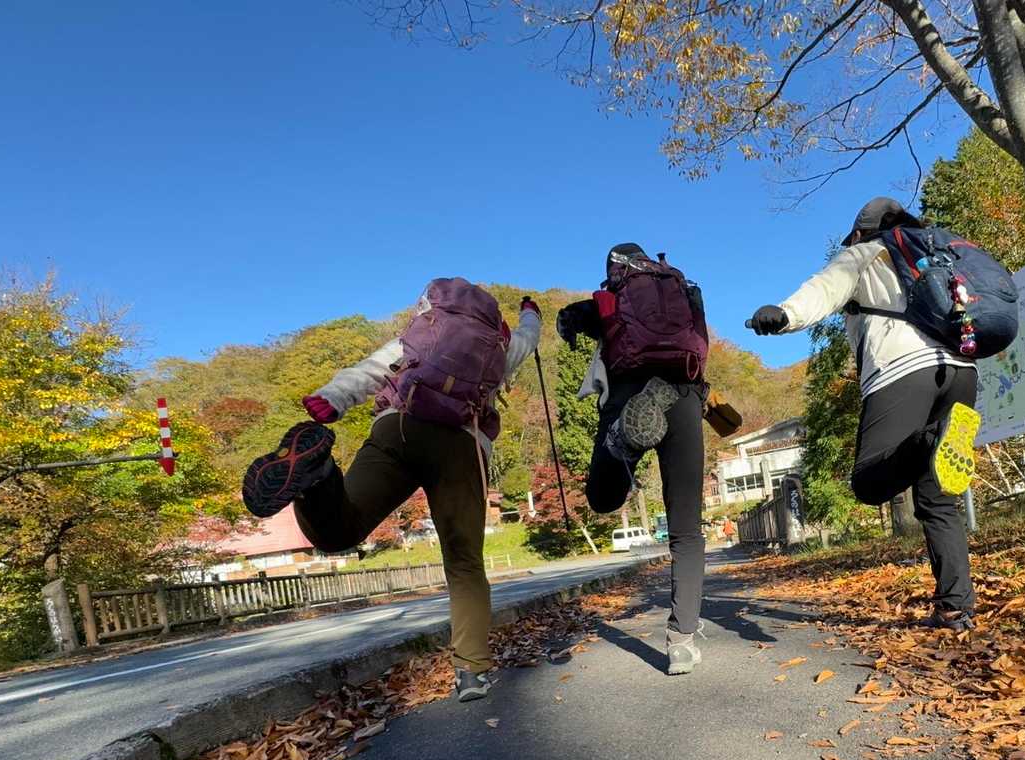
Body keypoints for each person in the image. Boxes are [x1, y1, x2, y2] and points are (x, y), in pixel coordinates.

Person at [241, 280, 541, 700]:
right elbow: (529, 338)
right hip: (462, 444)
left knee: (339, 532)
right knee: (464, 563)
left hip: (397, 429)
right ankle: (471, 671)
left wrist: (332, 398)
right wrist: (530, 313)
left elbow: (374, 368)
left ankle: (320, 477)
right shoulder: (498, 348)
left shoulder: (421, 335)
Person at [748, 196, 981, 630]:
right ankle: (956, 608)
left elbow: (825, 288)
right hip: (962, 370)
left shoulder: (868, 252)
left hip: (902, 370)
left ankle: (931, 439)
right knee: (937, 501)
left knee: (870, 482)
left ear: (859, 232)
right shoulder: (943, 253)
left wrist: (784, 315)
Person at [557, 243, 709, 674]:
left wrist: (568, 324)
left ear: (613, 271)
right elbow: (700, 345)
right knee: (687, 530)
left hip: (627, 393)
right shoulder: (685, 291)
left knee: (603, 498)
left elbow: (567, 322)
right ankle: (681, 641)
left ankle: (619, 442)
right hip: (682, 395)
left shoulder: (605, 302)